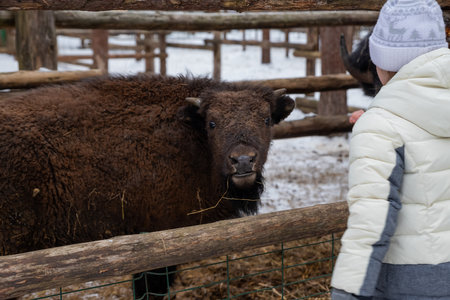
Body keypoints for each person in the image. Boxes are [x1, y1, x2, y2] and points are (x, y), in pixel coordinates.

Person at [331, 0, 450, 299]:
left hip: (410, 281)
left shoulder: (378, 127)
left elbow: (369, 225)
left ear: (379, 65)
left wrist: (346, 293)